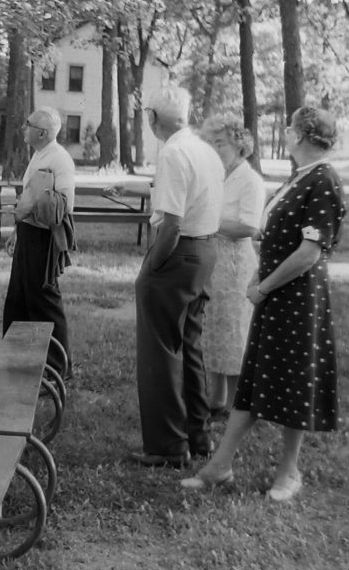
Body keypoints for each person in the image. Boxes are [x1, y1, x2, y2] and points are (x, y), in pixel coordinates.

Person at [182, 106, 346, 501]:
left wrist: (265, 285)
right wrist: (261, 276)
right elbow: (276, 238)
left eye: (290, 128)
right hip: (275, 294)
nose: (285, 132)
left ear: (301, 135)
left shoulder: (324, 179)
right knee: (255, 379)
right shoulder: (299, 176)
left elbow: (309, 252)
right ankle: (220, 466)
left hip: (299, 298)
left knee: (295, 382)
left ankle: (289, 473)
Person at [130, 85, 224, 467]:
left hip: (179, 251)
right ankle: (199, 436)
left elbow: (171, 223)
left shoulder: (172, 153)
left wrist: (152, 266)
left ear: (153, 118)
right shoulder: (206, 150)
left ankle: (168, 445)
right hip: (206, 250)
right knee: (190, 345)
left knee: (160, 349)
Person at [199, 114, 266, 420]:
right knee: (214, 330)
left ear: (240, 145)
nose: (215, 149)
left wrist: (208, 222)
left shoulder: (250, 180)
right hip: (214, 262)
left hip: (236, 266)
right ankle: (216, 398)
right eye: (211, 143)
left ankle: (236, 404)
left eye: (221, 143)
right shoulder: (217, 175)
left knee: (234, 333)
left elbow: (250, 227)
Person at [3, 107, 77, 376]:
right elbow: (28, 196)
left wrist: (40, 202)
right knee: (19, 299)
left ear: (42, 133)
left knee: (44, 301)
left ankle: (58, 368)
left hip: (44, 237)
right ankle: (18, 360)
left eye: (28, 124)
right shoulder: (39, 154)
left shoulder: (59, 159)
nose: (24, 127)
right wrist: (17, 231)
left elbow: (66, 204)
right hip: (28, 233)